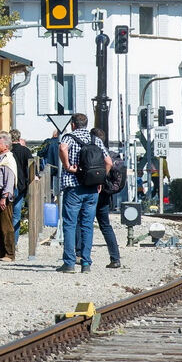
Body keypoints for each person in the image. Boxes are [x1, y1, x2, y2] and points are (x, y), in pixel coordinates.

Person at [57, 113, 110, 273]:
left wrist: (67, 166)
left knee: (70, 223)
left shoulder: (70, 137)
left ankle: (69, 263)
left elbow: (62, 148)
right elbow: (108, 161)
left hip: (73, 186)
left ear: (73, 124)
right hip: (92, 187)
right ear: (86, 124)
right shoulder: (95, 139)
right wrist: (101, 180)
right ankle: (86, 263)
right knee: (88, 225)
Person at [90, 127, 123, 269]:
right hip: (105, 194)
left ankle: (81, 256)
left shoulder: (92, 153)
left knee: (83, 223)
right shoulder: (111, 153)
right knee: (105, 226)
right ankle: (115, 258)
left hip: (91, 191)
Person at [0, 132, 17, 261]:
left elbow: (9, 180)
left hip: (3, 195)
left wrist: (4, 197)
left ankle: (10, 254)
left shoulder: (8, 159)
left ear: (6, 145)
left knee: (6, 225)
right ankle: (1, 252)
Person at [9, 129, 32, 244]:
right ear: (19, 138)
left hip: (8, 185)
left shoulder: (8, 152)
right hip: (21, 186)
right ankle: (14, 242)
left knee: (6, 216)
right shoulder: (26, 151)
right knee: (16, 216)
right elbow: (31, 169)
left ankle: (6, 242)